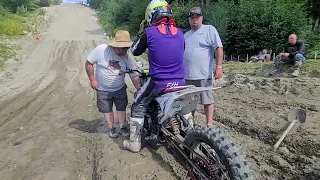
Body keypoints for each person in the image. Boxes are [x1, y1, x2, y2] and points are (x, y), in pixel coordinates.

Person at [122, 0, 186, 153]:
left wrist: (143, 30)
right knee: (184, 106)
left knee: (138, 104)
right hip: (180, 81)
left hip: (159, 82)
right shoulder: (180, 32)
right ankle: (188, 131)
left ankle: (134, 143)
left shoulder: (149, 32)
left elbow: (135, 50)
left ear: (151, 14)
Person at [85, 30, 141, 138]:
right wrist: (92, 79)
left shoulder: (128, 57)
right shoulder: (101, 50)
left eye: (126, 47)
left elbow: (134, 75)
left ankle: (122, 126)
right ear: (115, 45)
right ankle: (111, 127)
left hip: (119, 88)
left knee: (121, 107)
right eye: (122, 47)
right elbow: (88, 63)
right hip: (102, 88)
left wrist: (140, 90)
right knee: (107, 109)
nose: (124, 50)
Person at [183, 6, 224, 125]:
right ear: (189, 20)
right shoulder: (186, 35)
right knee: (189, 103)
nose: (194, 19)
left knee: (208, 100)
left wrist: (219, 66)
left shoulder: (209, 29)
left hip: (204, 75)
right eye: (192, 17)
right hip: (188, 76)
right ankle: (190, 125)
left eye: (197, 17)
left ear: (201, 18)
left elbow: (218, 48)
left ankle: (209, 124)